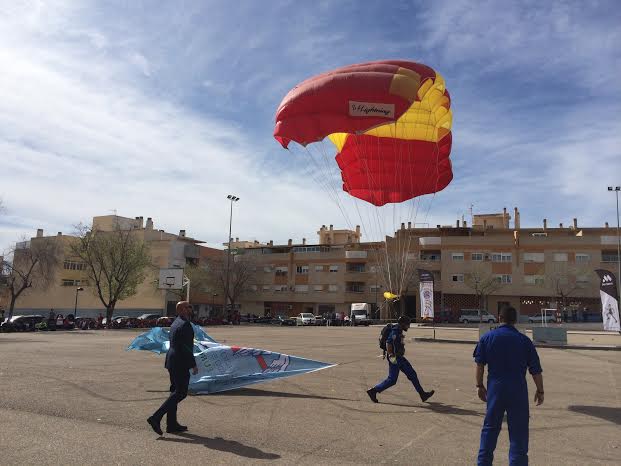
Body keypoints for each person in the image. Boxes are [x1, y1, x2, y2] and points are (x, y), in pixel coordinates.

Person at [474, 305, 544, 466]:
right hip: (517, 390)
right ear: (515, 321)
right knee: (519, 432)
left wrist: (479, 385)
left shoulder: (487, 338)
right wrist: (540, 391)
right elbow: (536, 370)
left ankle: (483, 463)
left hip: (495, 389)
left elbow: (479, 365)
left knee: (490, 429)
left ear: (499, 318)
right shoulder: (524, 341)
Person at [148, 301, 198, 435]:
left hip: (172, 360)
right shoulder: (185, 324)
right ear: (182, 309)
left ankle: (171, 424)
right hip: (180, 362)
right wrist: (193, 364)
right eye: (189, 307)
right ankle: (156, 417)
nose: (191, 309)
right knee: (180, 393)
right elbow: (187, 347)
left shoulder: (176, 322)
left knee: (174, 392)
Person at [366, 315, 434, 403]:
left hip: (400, 358)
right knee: (392, 380)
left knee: (412, 374)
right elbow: (388, 343)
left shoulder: (399, 330)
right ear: (402, 324)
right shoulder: (395, 331)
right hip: (395, 358)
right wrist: (391, 355)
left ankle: (422, 394)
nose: (408, 326)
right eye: (407, 324)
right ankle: (373, 391)